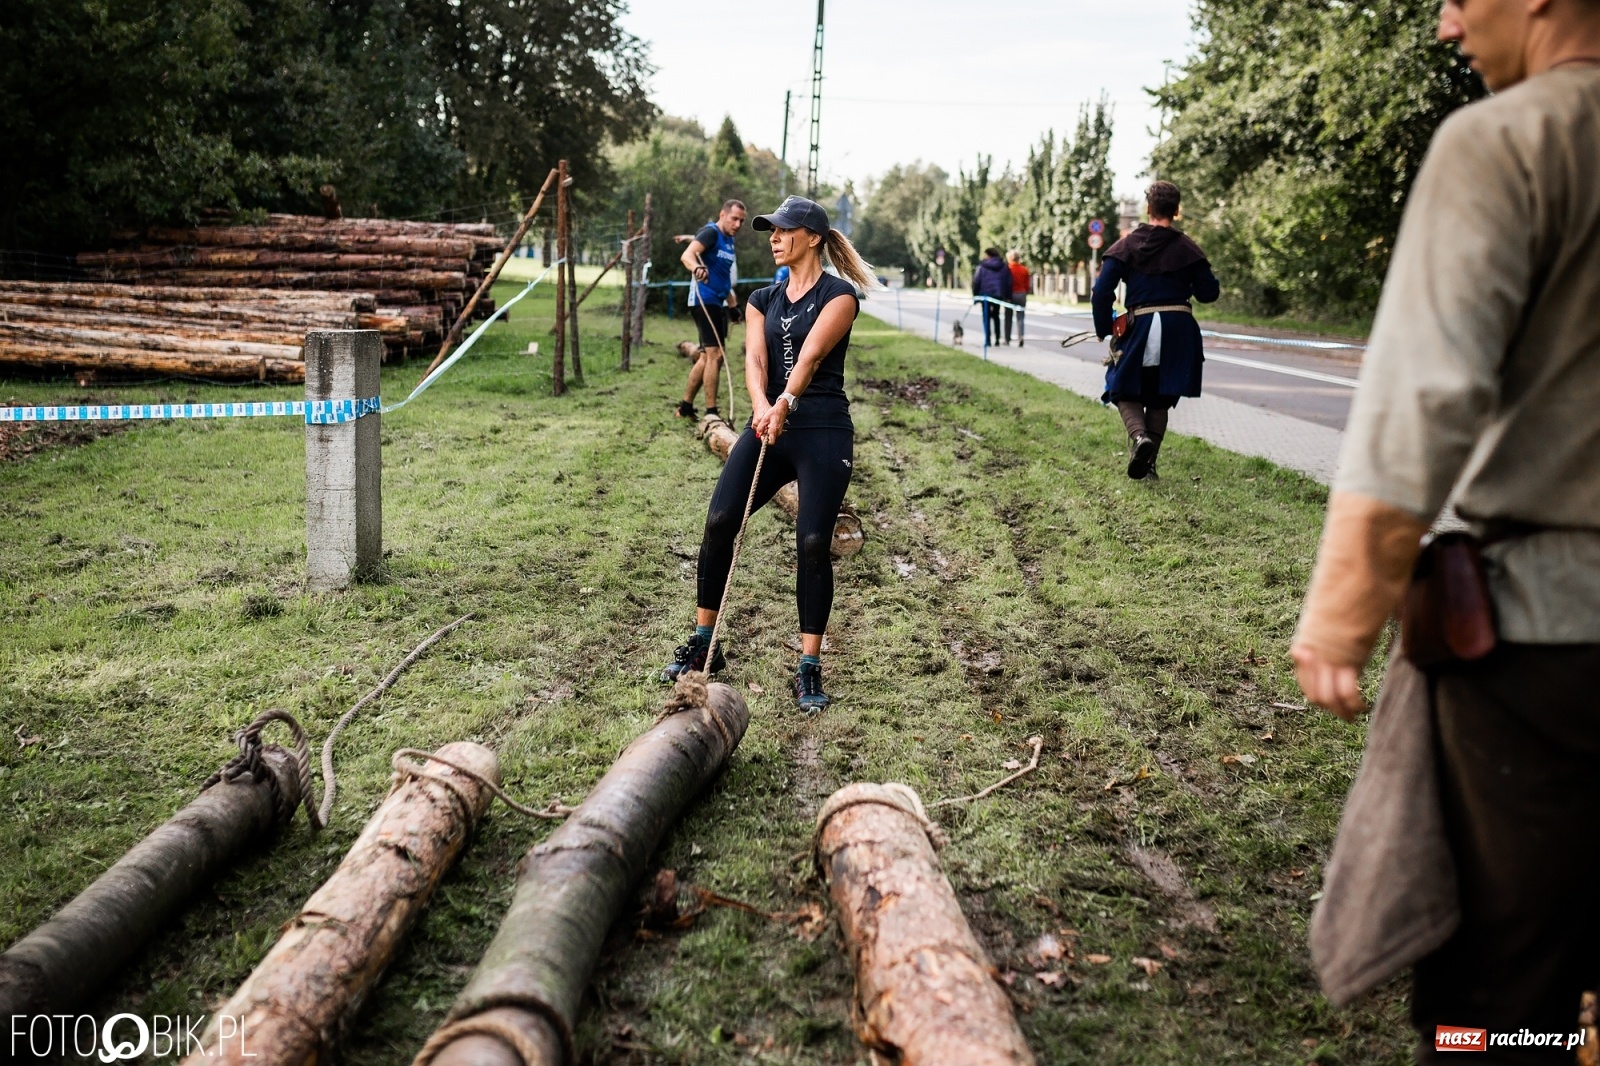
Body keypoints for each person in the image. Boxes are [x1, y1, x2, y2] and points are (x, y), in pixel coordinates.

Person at [1291, 2, 1600, 1060]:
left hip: (1548, 651)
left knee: (1504, 987)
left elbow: (1420, 400)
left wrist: (1341, 616)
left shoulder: (1511, 141)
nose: (1443, 24)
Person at [660, 195, 878, 713]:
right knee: (718, 523)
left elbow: (809, 357)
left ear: (813, 238)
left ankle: (808, 667)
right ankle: (704, 645)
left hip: (821, 429)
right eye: (770, 230)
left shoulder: (839, 295)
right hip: (769, 426)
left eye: (783, 230)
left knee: (812, 542)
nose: (774, 237)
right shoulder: (761, 297)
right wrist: (761, 406)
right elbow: (755, 356)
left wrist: (784, 403)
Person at [1091, 182, 1219, 480]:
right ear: (1176, 211)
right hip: (1179, 326)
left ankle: (1139, 439)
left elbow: (1101, 291)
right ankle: (1148, 466)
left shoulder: (1126, 245)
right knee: (1161, 396)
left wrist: (1103, 327)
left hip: (1141, 322)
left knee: (1121, 386)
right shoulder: (1188, 248)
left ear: (1148, 208)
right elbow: (1208, 292)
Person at [676, 200, 745, 420]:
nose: (738, 224)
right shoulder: (711, 233)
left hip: (718, 301)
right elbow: (687, 255)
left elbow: (723, 279)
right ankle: (711, 412)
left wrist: (733, 306)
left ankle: (685, 407)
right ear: (722, 215)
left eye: (741, 221)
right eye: (734, 218)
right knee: (715, 355)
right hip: (703, 300)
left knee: (707, 356)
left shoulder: (729, 241)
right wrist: (696, 267)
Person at [970, 247, 1012, 347]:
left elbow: (976, 281)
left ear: (988, 255)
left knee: (986, 317)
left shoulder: (982, 266)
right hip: (998, 294)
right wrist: (1007, 295)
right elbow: (1008, 282)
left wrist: (975, 295)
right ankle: (997, 338)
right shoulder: (1003, 266)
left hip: (985, 294)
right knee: (996, 316)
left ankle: (987, 339)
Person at [1005, 250, 1031, 345]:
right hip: (1021, 294)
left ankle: (1007, 339)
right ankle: (1021, 337)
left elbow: (1006, 284)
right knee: (1020, 317)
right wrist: (1026, 292)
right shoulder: (1024, 269)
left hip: (1010, 294)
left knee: (1008, 317)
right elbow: (1028, 284)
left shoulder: (1008, 269)